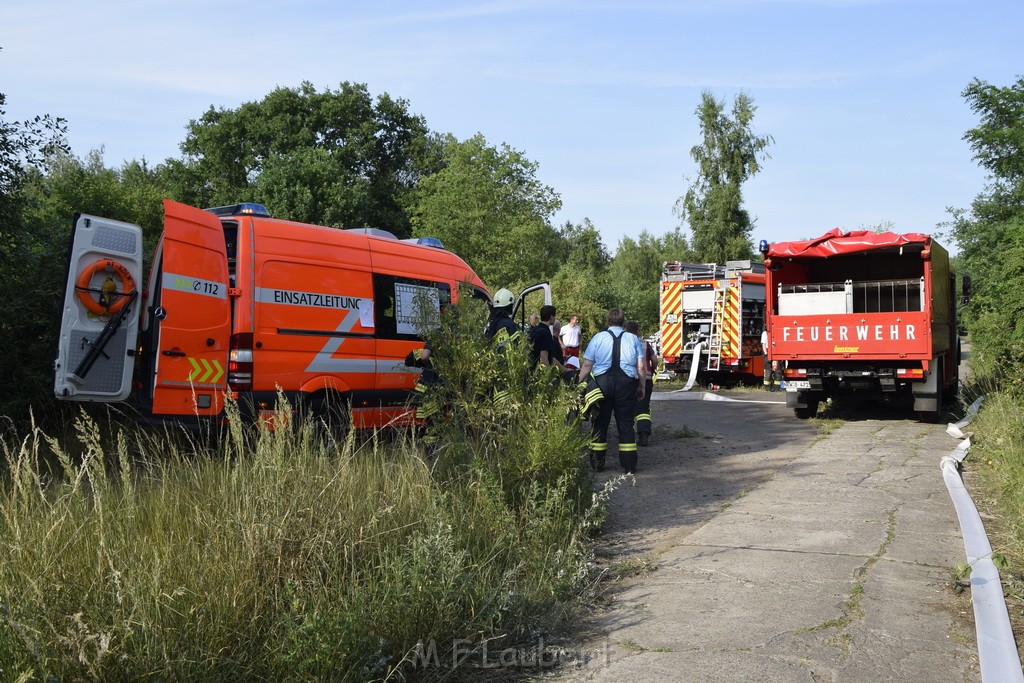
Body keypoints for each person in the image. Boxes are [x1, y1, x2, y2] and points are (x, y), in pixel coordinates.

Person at [577, 308, 646, 474]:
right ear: (623, 322)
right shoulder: (633, 338)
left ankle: (597, 463)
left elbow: (587, 365)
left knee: (599, 422)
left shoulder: (598, 338)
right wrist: (642, 386)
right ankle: (629, 465)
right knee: (625, 423)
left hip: (602, 384)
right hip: (626, 384)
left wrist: (578, 386)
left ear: (608, 321)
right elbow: (641, 366)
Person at [625, 321, 657, 446]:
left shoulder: (623, 343)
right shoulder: (645, 344)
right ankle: (643, 435)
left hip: (629, 379)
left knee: (628, 408)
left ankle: (627, 435)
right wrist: (652, 369)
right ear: (637, 331)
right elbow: (654, 360)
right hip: (646, 379)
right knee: (643, 408)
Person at [760, 326, 775, 391]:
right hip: (767, 351)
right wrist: (766, 354)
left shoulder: (775, 331)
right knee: (768, 370)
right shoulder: (765, 333)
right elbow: (763, 344)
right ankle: (767, 387)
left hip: (774, 351)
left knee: (777, 370)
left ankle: (776, 388)